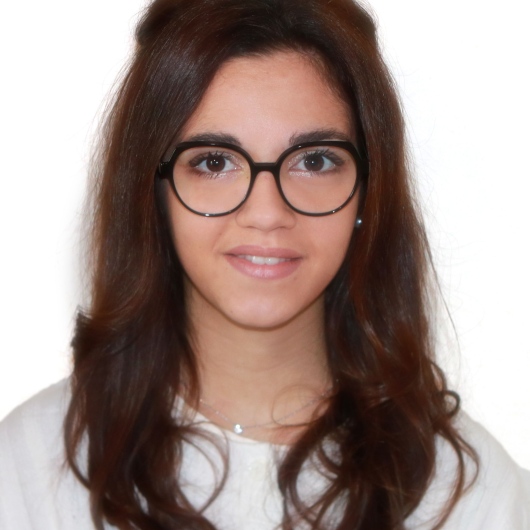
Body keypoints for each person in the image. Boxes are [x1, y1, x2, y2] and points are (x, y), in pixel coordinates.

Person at [0, 0, 528, 529]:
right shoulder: (27, 470)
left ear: (369, 191)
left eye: (314, 161)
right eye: (214, 162)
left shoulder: (471, 499)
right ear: (152, 193)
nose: (267, 213)